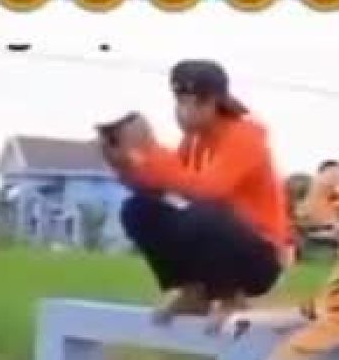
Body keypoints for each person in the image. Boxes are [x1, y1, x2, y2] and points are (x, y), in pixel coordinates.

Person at [96, 60, 290, 326]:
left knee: (205, 212)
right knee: (138, 209)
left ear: (215, 102)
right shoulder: (195, 140)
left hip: (262, 257)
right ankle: (193, 292)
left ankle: (230, 296)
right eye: (180, 101)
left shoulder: (245, 136)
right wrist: (129, 163)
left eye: (194, 103)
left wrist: (151, 152)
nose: (183, 111)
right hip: (223, 238)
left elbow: (209, 190)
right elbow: (169, 186)